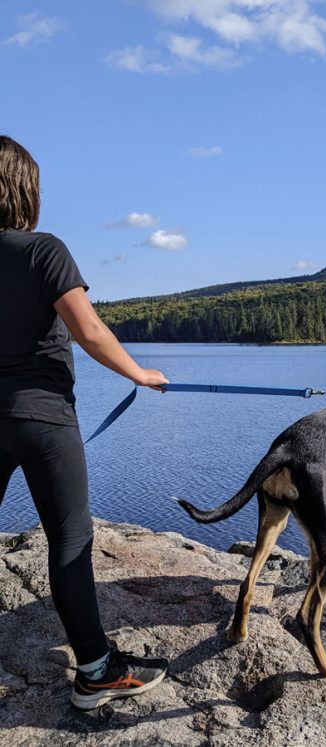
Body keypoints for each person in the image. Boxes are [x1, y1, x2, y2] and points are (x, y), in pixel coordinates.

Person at [0, 135, 170, 710]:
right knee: (70, 538)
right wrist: (138, 373)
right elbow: (89, 330)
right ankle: (96, 671)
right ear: (25, 189)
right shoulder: (43, 250)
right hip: (43, 416)